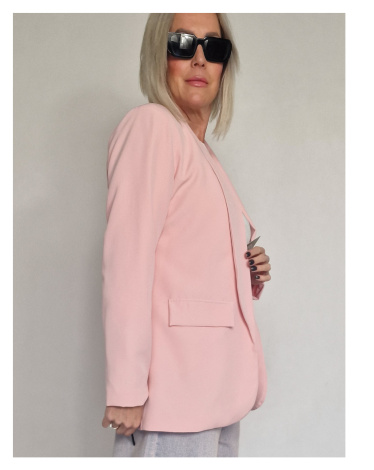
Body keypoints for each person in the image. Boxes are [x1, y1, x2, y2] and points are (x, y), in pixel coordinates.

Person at [101, 13, 272, 457]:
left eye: (213, 48)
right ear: (157, 55)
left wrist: (247, 272)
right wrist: (126, 388)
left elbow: (187, 263)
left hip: (217, 393)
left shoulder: (201, 152)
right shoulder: (151, 126)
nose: (199, 59)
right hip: (173, 397)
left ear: (224, 65)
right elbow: (127, 262)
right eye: (181, 43)